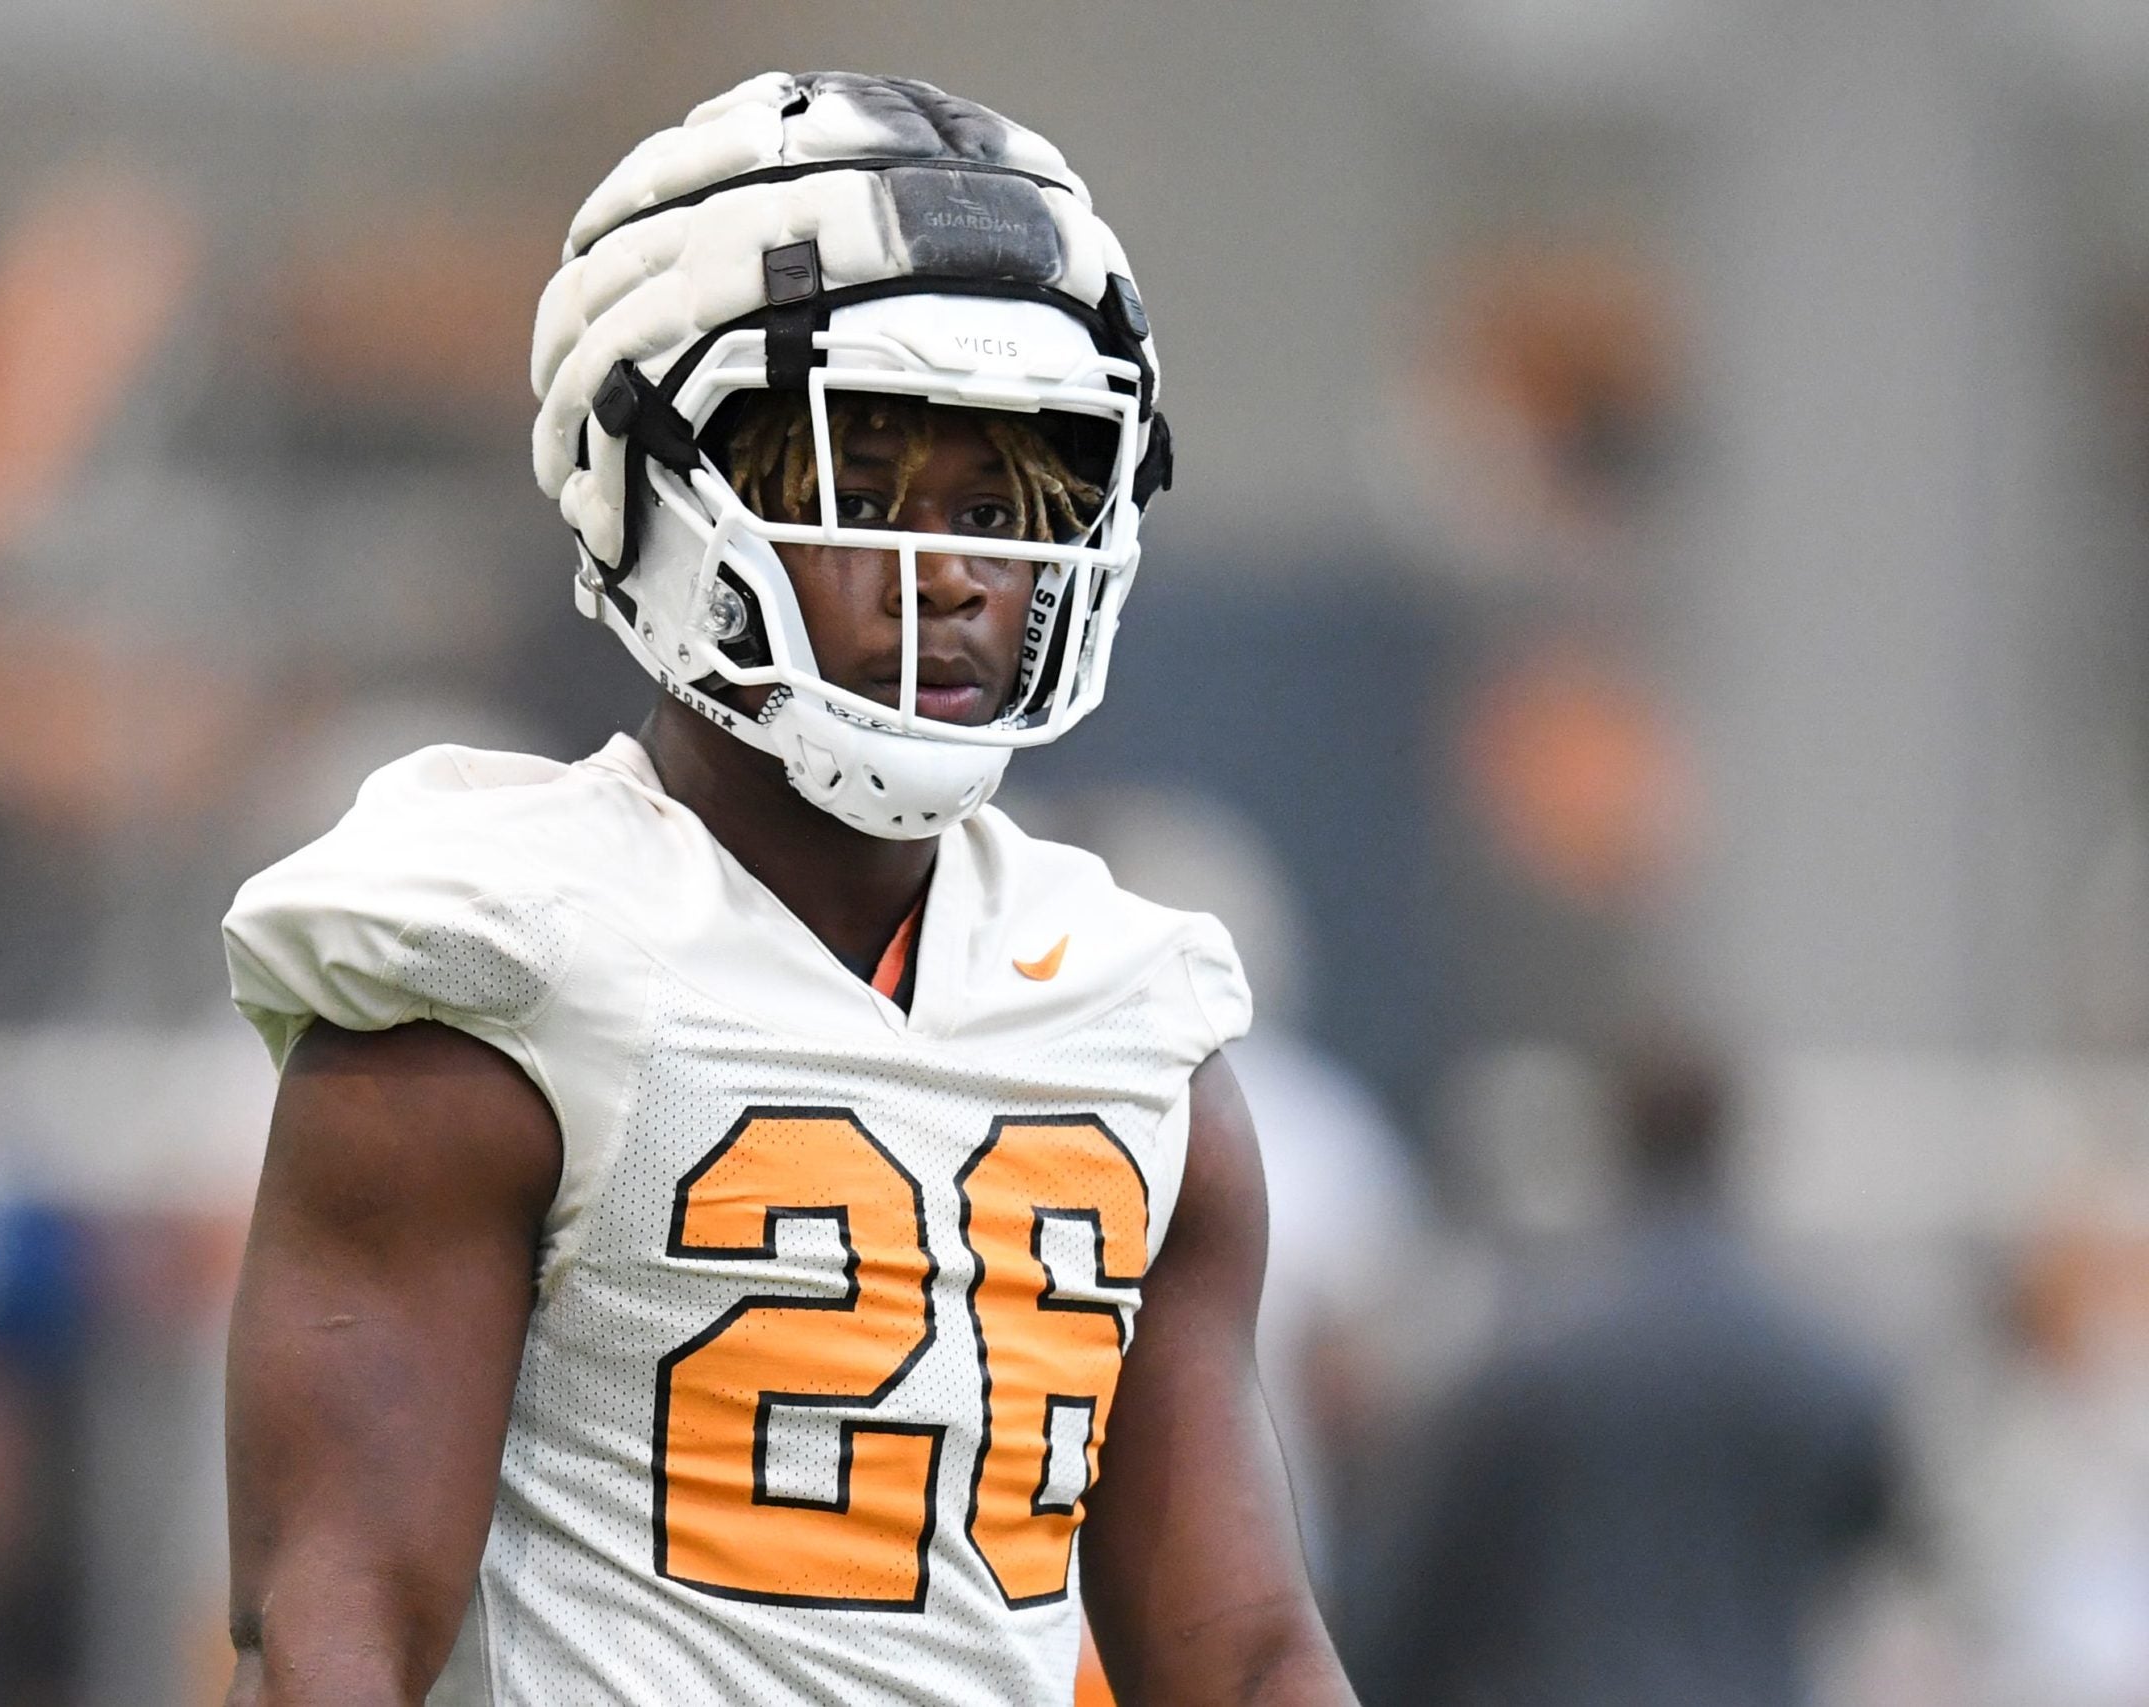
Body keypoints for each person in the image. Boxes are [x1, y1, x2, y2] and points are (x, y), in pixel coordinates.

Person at [216, 72, 1358, 1707]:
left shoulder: (1133, 1014)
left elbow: (1243, 1652)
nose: (956, 575)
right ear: (653, 488)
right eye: (861, 495)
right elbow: (337, 1630)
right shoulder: (502, 959)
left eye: (996, 512)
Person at [1346, 1038, 1897, 1707]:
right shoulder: (1819, 1357)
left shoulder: (1531, 1344)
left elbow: (1419, 1591)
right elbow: (1877, 1527)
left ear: (1615, 1133)